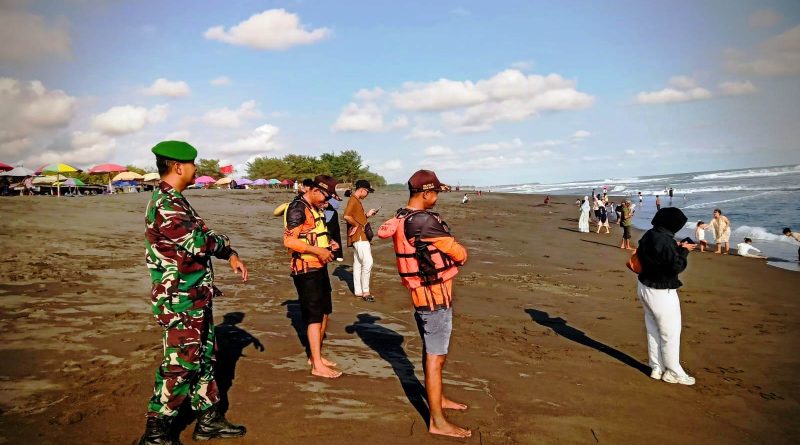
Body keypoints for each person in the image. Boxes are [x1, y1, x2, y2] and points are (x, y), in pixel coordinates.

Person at [139, 141, 248, 445]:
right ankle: (156, 432)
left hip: (195, 295)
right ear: (178, 167)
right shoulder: (166, 203)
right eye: (193, 164)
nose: (196, 169)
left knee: (204, 358)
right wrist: (225, 245)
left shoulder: (177, 200)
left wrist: (227, 250)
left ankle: (208, 420)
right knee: (181, 363)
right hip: (179, 299)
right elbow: (201, 241)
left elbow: (203, 234)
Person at [377, 169, 471, 439]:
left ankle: (438, 398)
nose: (438, 196)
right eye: (436, 192)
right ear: (427, 193)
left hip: (423, 298)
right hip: (434, 299)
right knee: (435, 356)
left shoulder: (402, 216)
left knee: (434, 353)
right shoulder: (423, 222)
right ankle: (437, 421)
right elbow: (460, 254)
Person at [284, 175, 342, 378]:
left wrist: (329, 244)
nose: (327, 202)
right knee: (314, 317)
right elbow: (289, 241)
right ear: (316, 190)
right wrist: (318, 251)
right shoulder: (298, 208)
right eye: (326, 197)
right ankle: (316, 365)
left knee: (325, 311)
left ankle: (316, 356)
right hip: (306, 269)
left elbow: (314, 233)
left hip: (320, 267)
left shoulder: (315, 208)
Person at [636, 207, 696, 386]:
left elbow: (653, 255)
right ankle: (673, 371)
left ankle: (656, 367)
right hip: (661, 291)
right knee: (670, 332)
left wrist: (676, 247)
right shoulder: (665, 241)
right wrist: (684, 251)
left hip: (644, 286)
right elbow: (676, 267)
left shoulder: (649, 235)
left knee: (653, 328)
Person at [343, 179, 379, 302]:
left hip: (358, 236)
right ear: (362, 190)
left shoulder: (355, 200)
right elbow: (346, 216)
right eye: (368, 191)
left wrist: (367, 215)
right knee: (368, 262)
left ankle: (358, 291)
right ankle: (366, 291)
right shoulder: (353, 200)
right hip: (359, 236)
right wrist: (356, 226)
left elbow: (355, 217)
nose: (367, 194)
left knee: (358, 263)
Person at [324, 197, 344, 262]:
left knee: (335, 234)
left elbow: (336, 205)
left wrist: (328, 204)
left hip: (331, 216)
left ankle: (338, 254)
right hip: (323, 217)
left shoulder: (330, 195)